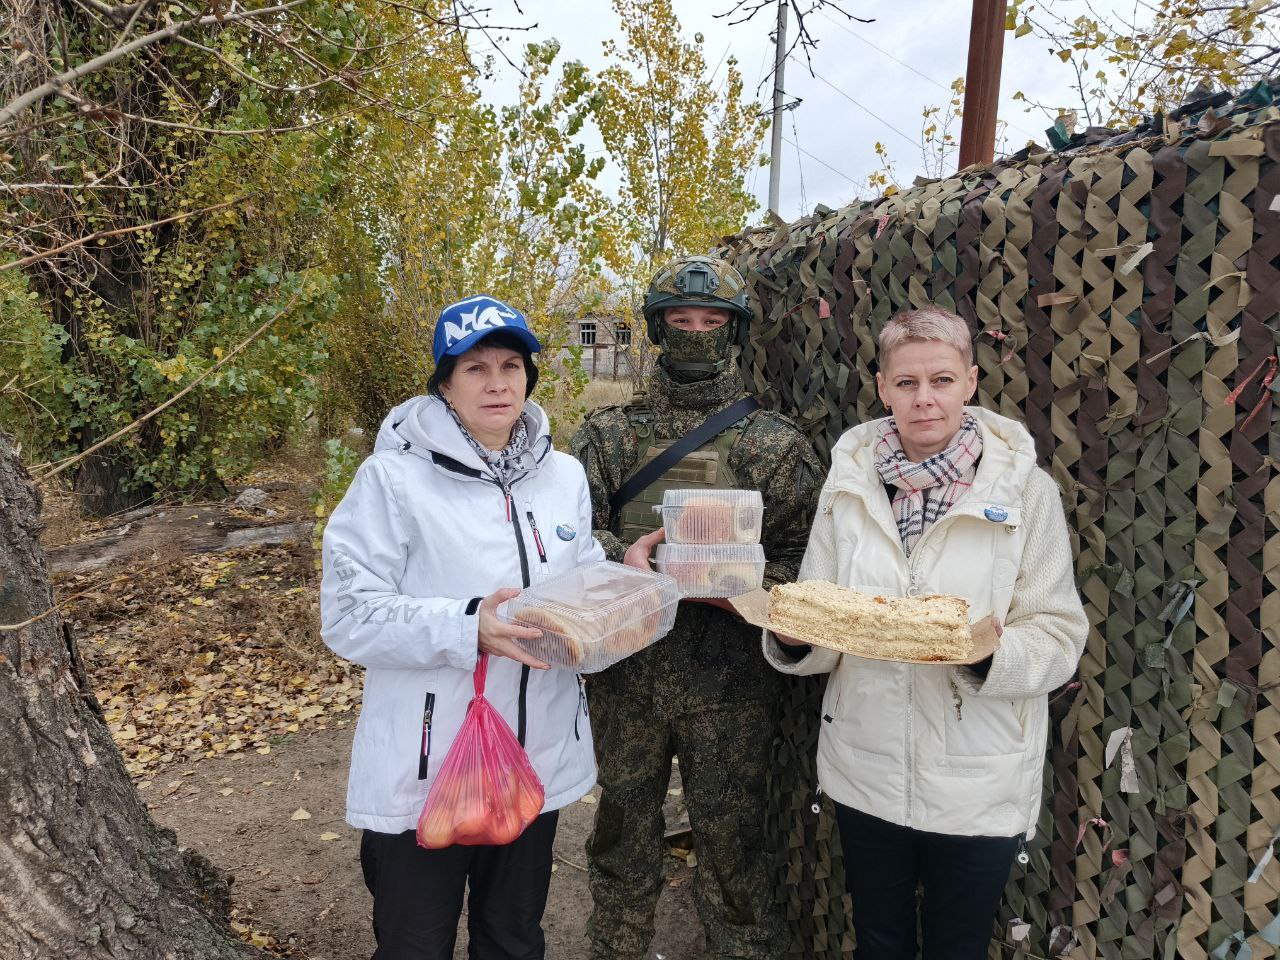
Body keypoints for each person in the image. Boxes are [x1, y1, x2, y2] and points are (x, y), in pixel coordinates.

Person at [764, 305, 1089, 960]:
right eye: (907, 384)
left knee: (957, 948)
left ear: (970, 381)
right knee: (879, 944)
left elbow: (1057, 631)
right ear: (883, 389)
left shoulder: (1027, 495)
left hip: (977, 778)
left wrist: (991, 654)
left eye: (941, 380)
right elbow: (825, 613)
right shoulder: (849, 489)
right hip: (868, 770)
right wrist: (797, 640)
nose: (925, 399)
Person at [320, 294, 604, 960]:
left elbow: (581, 578)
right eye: (474, 368)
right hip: (429, 768)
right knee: (415, 943)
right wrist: (468, 626)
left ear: (530, 377)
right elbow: (348, 614)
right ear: (444, 385)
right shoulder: (391, 481)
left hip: (531, 766)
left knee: (512, 938)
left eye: (511, 364)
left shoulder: (563, 477)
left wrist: (622, 589)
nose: (498, 381)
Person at [571, 255, 824, 960]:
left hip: (732, 684)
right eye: (680, 321)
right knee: (621, 839)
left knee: (733, 846)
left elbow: (810, 561)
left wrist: (738, 578)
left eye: (711, 322)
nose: (695, 333)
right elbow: (560, 536)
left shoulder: (773, 444)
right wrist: (624, 557)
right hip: (627, 676)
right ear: (657, 329)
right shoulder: (607, 437)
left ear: (733, 333)